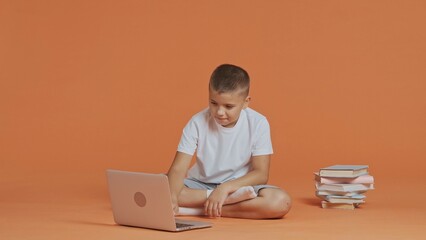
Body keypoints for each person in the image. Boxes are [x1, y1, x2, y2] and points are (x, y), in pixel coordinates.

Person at [167, 64, 291, 219]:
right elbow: (178, 169)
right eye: (213, 103)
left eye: (228, 106)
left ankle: (197, 210)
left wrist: (225, 189)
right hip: (200, 185)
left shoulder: (258, 123)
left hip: (239, 188)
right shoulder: (197, 122)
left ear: (246, 102)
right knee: (161, 188)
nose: (219, 112)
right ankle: (217, 203)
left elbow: (261, 174)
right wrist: (171, 198)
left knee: (280, 201)